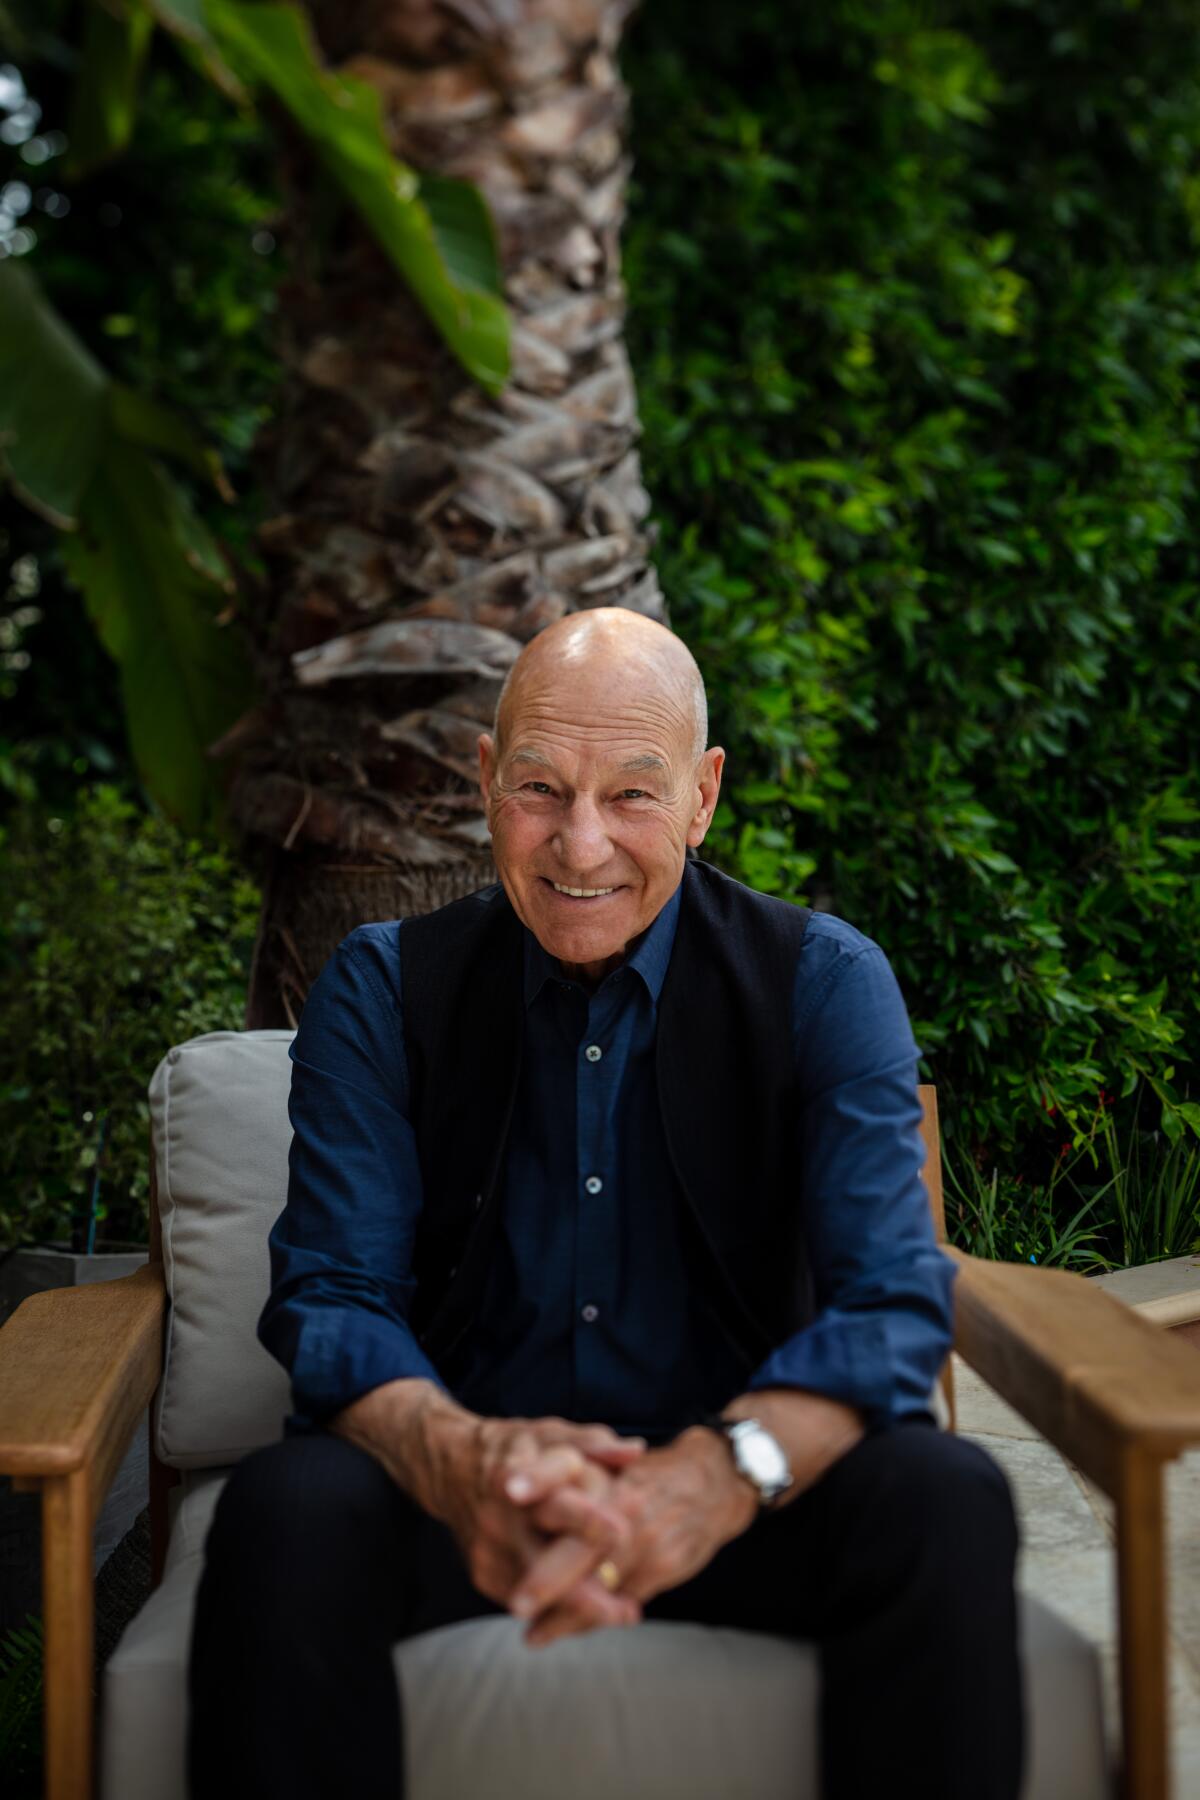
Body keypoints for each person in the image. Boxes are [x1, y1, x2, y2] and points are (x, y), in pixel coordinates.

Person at [188, 607, 1022, 1799]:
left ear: (703, 795)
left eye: (633, 794)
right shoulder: (380, 988)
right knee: (287, 1511)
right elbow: (333, 1299)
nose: (581, 847)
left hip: (740, 1498)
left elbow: (890, 1304)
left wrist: (722, 1474)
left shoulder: (828, 981)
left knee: (945, 1496)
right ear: (486, 781)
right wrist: (464, 1459)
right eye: (540, 786)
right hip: (468, 1500)